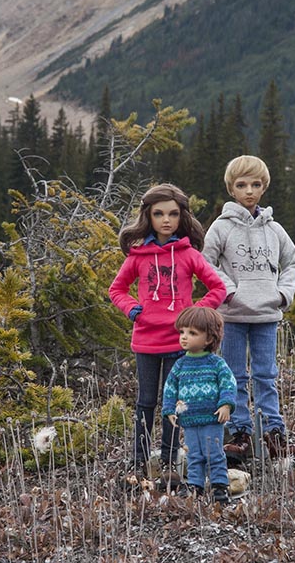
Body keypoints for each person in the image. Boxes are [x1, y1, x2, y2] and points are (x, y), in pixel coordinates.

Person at [109, 183, 226, 489]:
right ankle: (138, 461)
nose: (166, 220)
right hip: (145, 341)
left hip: (179, 342)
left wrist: (195, 315)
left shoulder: (188, 255)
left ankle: (170, 462)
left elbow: (218, 288)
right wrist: (133, 309)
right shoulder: (137, 256)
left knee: (174, 404)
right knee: (145, 402)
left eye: (173, 214)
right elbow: (117, 289)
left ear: (181, 216)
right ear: (147, 216)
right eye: (159, 214)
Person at [202, 155, 295, 462]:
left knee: (266, 374)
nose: (249, 191)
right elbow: (205, 262)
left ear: (264, 187)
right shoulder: (221, 227)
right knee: (233, 375)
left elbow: (292, 262)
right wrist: (228, 291)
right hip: (232, 315)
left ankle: (274, 433)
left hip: (267, 314)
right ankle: (240, 433)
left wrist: (283, 294)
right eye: (242, 185)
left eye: (256, 185)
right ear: (231, 189)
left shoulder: (274, 229)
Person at [162, 307, 236, 503]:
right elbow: (170, 387)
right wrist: (169, 409)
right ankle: (195, 484)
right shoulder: (180, 365)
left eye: (192, 333)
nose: (184, 337)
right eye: (182, 332)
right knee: (194, 453)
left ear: (209, 339)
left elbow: (228, 383)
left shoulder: (216, 363)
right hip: (189, 419)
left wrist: (226, 405)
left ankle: (220, 486)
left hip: (212, 418)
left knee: (214, 453)